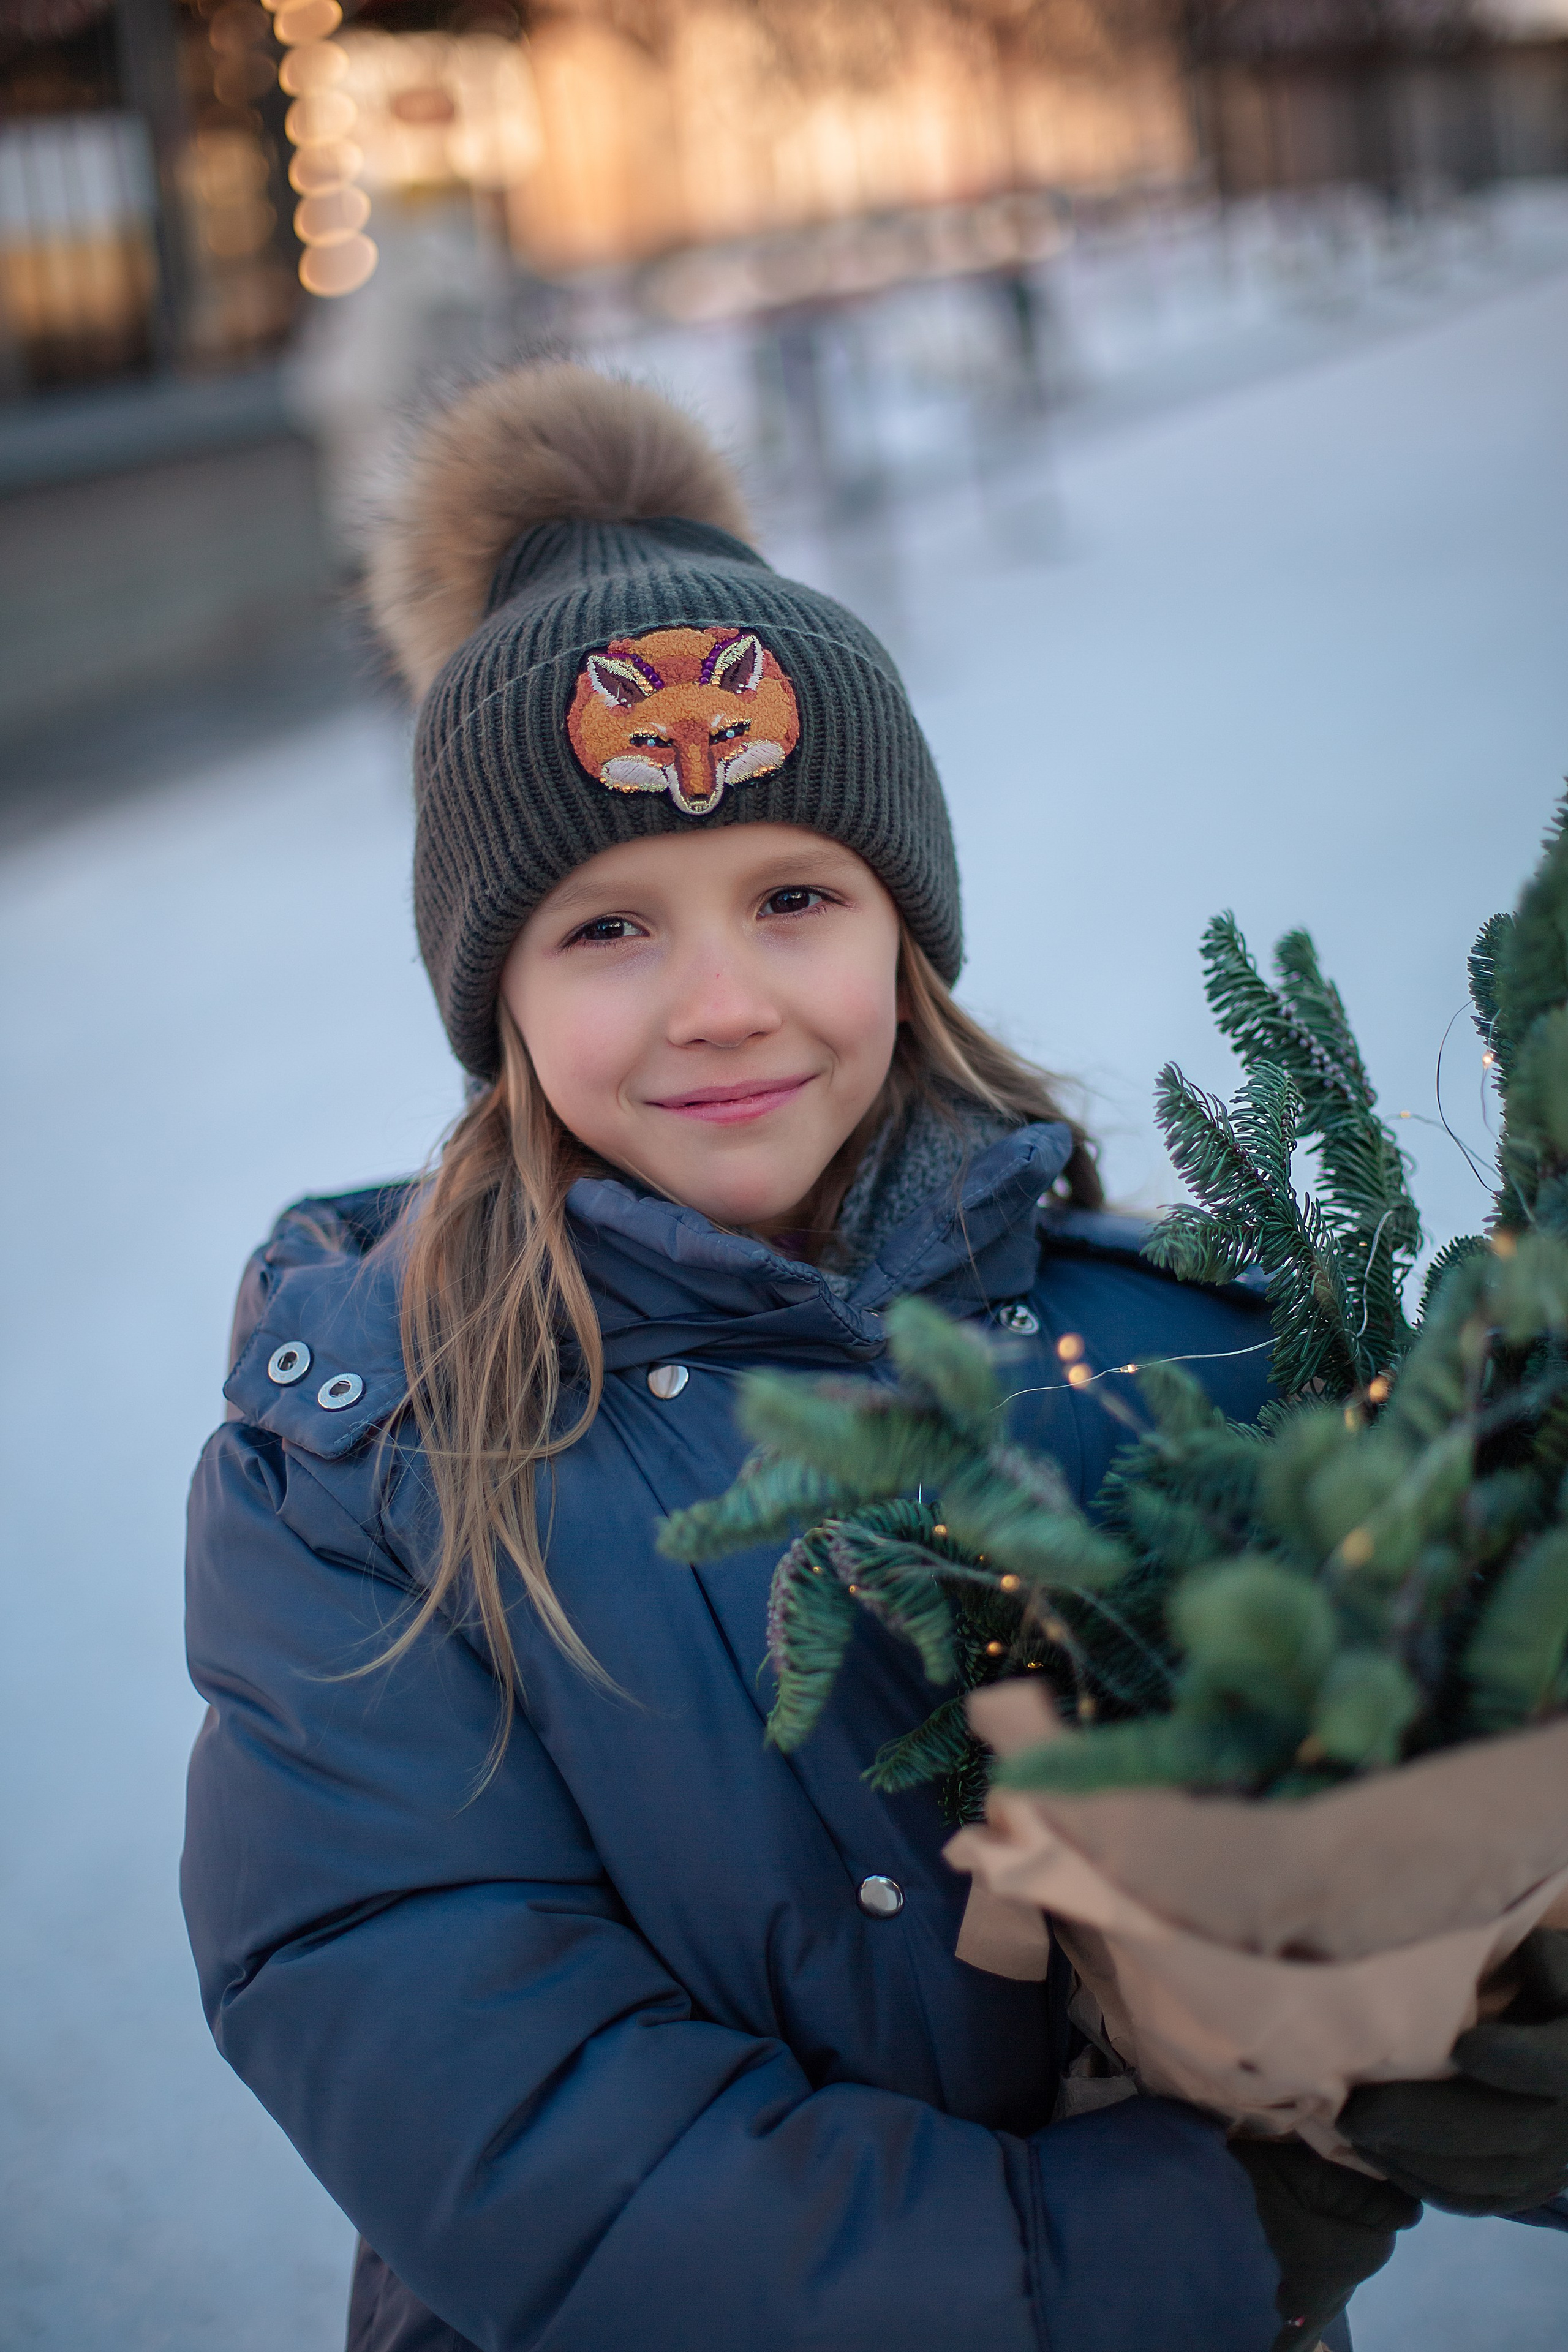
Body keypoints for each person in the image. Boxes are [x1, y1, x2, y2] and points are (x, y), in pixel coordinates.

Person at [179, 366, 1554, 2352]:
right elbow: (488, 2095)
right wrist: (1191, 2249)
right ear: (491, 996)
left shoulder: (1180, 1346)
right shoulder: (368, 1467)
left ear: (909, 932)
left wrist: (1506, 2050)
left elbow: (1453, 1775)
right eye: (607, 929)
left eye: (796, 897)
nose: (722, 1003)